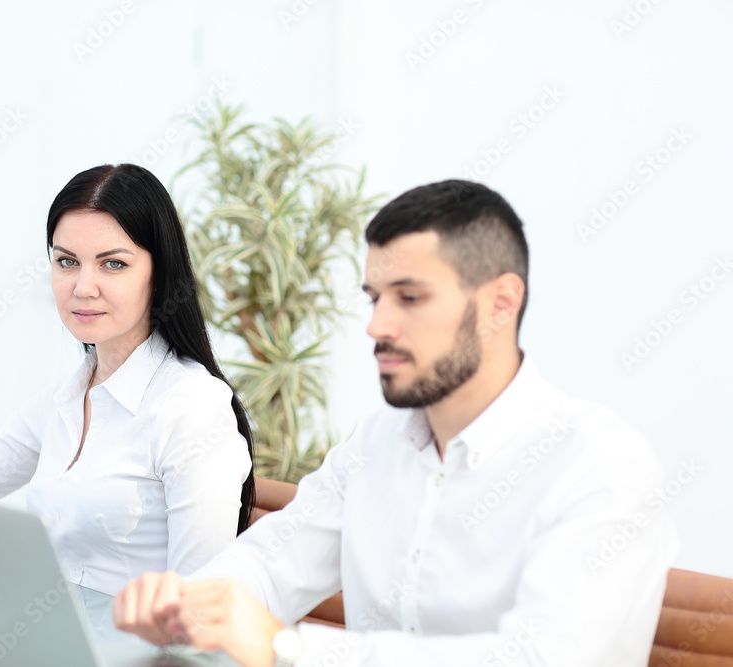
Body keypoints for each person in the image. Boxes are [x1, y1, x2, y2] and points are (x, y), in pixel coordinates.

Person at [112, 180, 678, 666]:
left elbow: (540, 659)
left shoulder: (600, 466)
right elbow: (270, 562)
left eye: (409, 298)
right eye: (374, 298)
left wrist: (286, 651)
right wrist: (184, 605)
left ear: (501, 303)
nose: (377, 325)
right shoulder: (376, 446)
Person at [0, 164, 256, 595]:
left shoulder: (193, 410)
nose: (83, 287)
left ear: (160, 277)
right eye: (67, 262)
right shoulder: (68, 395)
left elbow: (199, 607)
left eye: (113, 264)